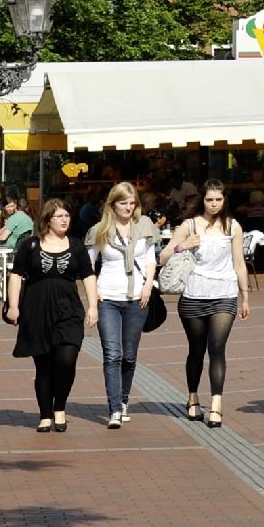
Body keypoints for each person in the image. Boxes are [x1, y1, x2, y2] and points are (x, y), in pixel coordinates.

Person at [161, 180, 251, 426]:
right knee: (196, 349)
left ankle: (216, 405)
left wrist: (245, 296)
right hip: (193, 294)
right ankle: (193, 398)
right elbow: (163, 256)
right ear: (202, 200)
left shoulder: (233, 226)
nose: (214, 204)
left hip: (224, 294)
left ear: (224, 200)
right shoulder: (189, 225)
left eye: (218, 200)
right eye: (209, 199)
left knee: (217, 348)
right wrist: (183, 246)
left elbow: (239, 263)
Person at [6, 199, 98, 432]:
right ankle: (45, 414)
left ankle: (60, 407)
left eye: (67, 215)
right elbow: (16, 275)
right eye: (59, 216)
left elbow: (88, 275)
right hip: (37, 310)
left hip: (69, 310)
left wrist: (93, 306)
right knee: (44, 366)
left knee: (66, 360)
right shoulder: (31, 245)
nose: (64, 220)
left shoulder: (76, 245)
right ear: (48, 219)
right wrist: (14, 306)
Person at [90, 181, 159, 429]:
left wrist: (148, 284)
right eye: (123, 203)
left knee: (129, 356)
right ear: (112, 205)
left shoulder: (144, 225)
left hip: (137, 298)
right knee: (112, 354)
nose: (129, 207)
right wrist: (94, 292)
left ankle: (124, 399)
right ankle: (115, 409)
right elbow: (88, 264)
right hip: (108, 297)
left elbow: (150, 258)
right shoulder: (99, 230)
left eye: (132, 203)